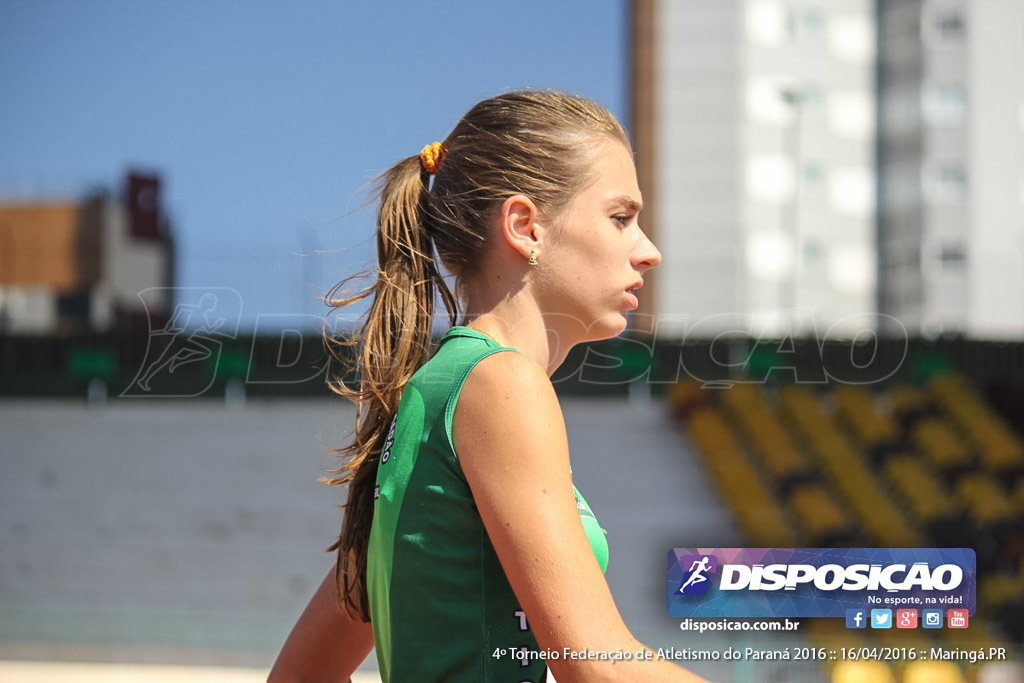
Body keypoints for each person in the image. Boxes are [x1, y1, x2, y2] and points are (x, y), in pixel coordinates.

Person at [269, 90, 707, 683]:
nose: (649, 251)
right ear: (525, 226)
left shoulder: (431, 394)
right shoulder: (500, 384)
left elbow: (299, 677)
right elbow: (596, 665)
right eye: (620, 217)